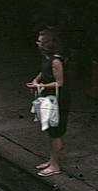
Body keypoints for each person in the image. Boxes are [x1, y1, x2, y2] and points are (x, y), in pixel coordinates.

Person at [27, 28, 70, 177]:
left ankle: (55, 165)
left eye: (40, 41)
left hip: (57, 100)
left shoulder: (56, 61)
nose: (37, 43)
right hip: (48, 98)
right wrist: (36, 80)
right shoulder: (47, 58)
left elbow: (59, 82)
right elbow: (43, 71)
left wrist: (40, 86)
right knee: (51, 131)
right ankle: (51, 160)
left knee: (55, 132)